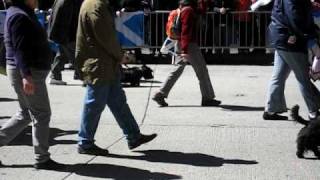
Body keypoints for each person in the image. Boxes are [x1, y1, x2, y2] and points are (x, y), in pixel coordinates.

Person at [75, 0, 157, 155]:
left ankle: (133, 136)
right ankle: (85, 142)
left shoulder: (97, 4)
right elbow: (106, 37)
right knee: (94, 104)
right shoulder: (95, 5)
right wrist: (120, 55)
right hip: (99, 63)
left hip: (105, 63)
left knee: (118, 102)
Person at [0, 0, 65, 170]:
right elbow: (20, 50)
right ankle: (42, 159)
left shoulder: (20, 12)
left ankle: (41, 157)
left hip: (27, 72)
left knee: (26, 113)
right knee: (42, 114)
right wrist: (26, 76)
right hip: (28, 72)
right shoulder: (19, 16)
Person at [152, 0, 221, 107]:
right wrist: (185, 50)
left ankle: (160, 93)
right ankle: (207, 98)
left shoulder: (185, 8)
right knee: (202, 71)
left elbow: (201, 11)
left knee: (177, 69)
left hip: (182, 43)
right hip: (189, 45)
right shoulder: (188, 10)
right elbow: (186, 31)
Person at [263, 0, 320, 120]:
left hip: (281, 37)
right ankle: (313, 112)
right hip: (291, 40)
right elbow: (294, 17)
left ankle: (271, 109)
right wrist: (309, 37)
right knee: (303, 77)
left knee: (278, 76)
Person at [47, 0, 83, 85]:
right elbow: (67, 19)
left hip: (64, 34)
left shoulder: (62, 1)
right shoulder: (67, 2)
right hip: (67, 34)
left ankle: (55, 76)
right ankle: (84, 77)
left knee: (62, 54)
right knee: (76, 55)